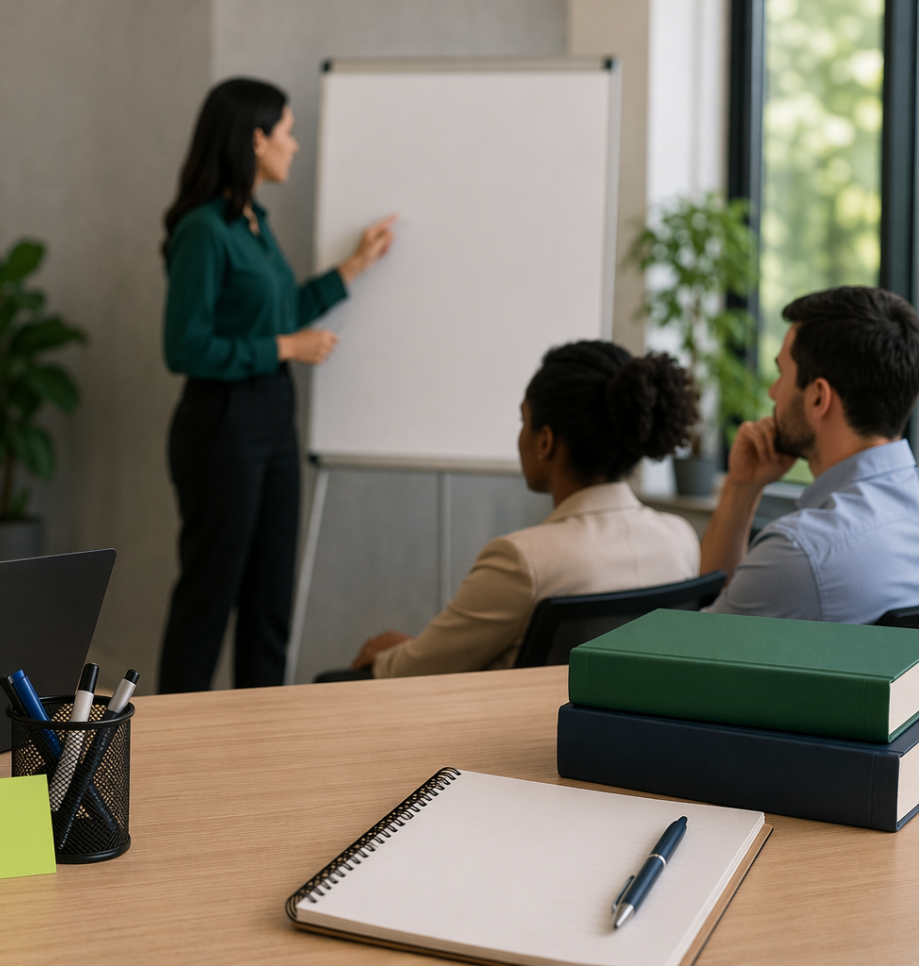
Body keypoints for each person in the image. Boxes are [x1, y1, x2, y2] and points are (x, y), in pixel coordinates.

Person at [159, 77, 395, 693]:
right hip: (221, 427)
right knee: (209, 601)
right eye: (288, 132)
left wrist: (353, 269)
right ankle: (171, 741)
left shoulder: (253, 223)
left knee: (271, 602)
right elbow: (184, 346)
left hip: (272, 423)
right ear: (256, 139)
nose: (295, 145)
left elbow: (281, 308)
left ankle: (260, 741)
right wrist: (285, 349)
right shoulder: (204, 230)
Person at [340, 341, 701, 678]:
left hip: (511, 740)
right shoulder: (680, 539)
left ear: (545, 440)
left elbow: (416, 671)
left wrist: (390, 653)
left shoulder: (523, 561)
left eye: (523, 421)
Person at [702, 286, 919, 621]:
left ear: (818, 397)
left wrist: (736, 491)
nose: (773, 393)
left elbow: (694, 650)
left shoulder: (800, 552)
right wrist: (743, 485)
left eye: (781, 374)